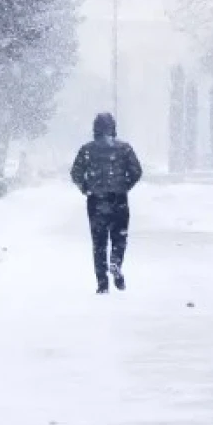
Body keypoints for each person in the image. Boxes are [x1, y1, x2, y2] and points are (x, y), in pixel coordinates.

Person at [70, 113, 143, 293]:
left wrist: (86, 188)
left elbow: (75, 173)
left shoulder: (87, 150)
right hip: (118, 199)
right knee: (119, 237)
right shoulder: (124, 149)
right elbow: (137, 171)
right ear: (113, 128)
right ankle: (116, 262)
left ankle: (102, 284)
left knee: (99, 242)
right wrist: (125, 185)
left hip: (96, 201)